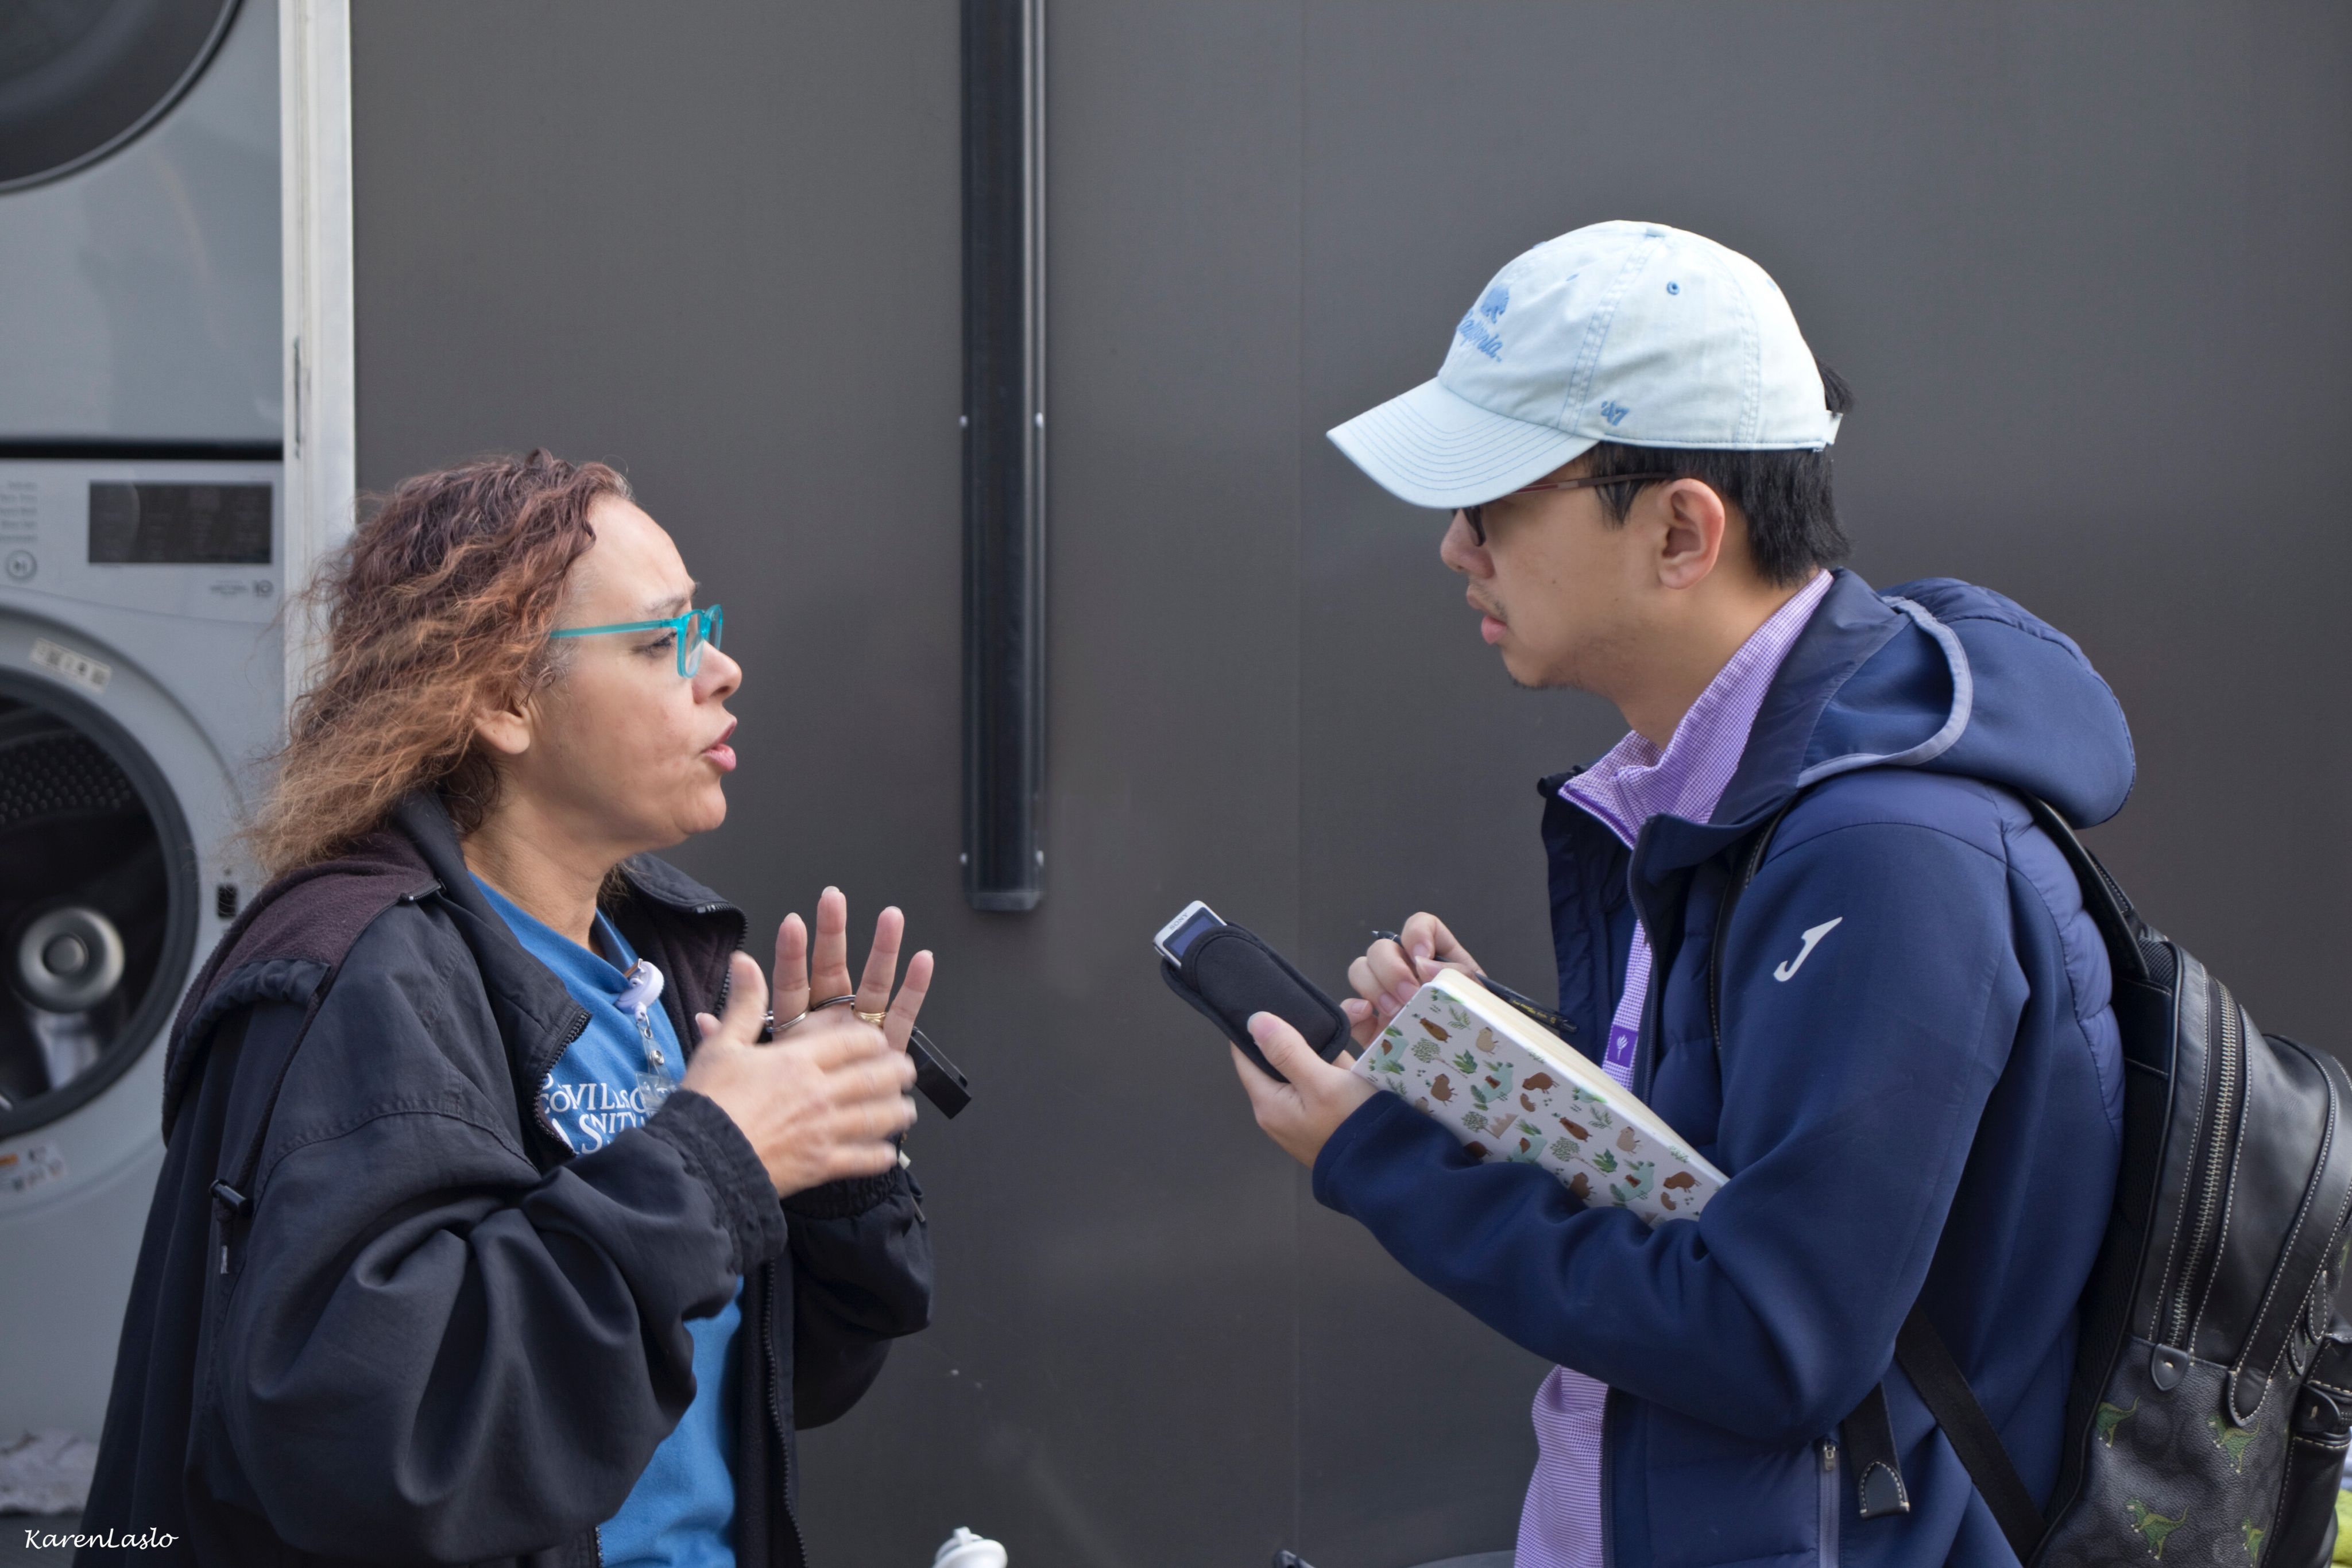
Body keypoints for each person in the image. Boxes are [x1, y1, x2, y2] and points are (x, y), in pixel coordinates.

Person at [1230, 222, 2129, 1568]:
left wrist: (1387, 1162)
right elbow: (1715, 1174)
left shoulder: (1884, 853)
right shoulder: (1742, 795)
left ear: (1679, 530)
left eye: (1493, 500)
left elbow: (1770, 1336)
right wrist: (1496, 1065)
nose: (1455, 546)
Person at [80, 452, 933, 1566]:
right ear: (501, 701)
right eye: (660, 641)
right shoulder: (369, 981)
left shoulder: (660, 966)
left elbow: (739, 1383)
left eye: (704, 627)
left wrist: (827, 1169)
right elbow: (391, 1441)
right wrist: (716, 1160)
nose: (721, 670)